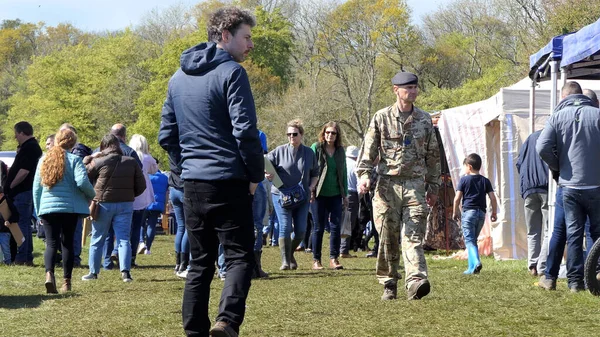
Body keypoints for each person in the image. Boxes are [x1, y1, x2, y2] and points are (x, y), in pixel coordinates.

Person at [158, 7, 264, 337]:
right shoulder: (232, 73)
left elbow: (166, 135)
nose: (250, 45)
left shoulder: (178, 77)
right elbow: (245, 132)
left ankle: (194, 331)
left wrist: (183, 169)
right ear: (224, 36)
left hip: (193, 185)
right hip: (229, 181)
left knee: (199, 262)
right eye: (246, 37)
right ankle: (227, 322)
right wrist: (254, 176)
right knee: (238, 257)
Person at [356, 71, 440, 301]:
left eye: (415, 87)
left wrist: (433, 187)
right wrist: (364, 176)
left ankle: (415, 281)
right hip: (387, 187)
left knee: (414, 234)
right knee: (388, 236)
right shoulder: (381, 118)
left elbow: (433, 156)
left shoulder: (424, 119)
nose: (413, 92)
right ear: (396, 90)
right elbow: (368, 151)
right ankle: (389, 282)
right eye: (408, 88)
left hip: (414, 185)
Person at [537, 81, 600, 292]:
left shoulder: (556, 116)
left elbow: (542, 147)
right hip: (596, 185)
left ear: (564, 97)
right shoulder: (597, 114)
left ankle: (574, 283)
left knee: (573, 233)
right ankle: (595, 276)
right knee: (596, 233)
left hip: (570, 185)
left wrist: (559, 166)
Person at [32, 129, 96, 293]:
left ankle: (49, 275)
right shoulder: (75, 159)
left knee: (51, 243)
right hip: (69, 208)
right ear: (73, 143)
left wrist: (39, 210)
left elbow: (36, 189)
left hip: (47, 208)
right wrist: (92, 194)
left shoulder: (43, 160)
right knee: (67, 243)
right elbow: (82, 181)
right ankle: (66, 282)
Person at [81, 134, 146, 283]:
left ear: (103, 146)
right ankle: (125, 273)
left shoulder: (99, 161)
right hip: (125, 204)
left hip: (103, 204)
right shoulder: (131, 162)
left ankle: (93, 272)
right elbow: (142, 185)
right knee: (124, 239)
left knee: (98, 238)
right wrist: (130, 195)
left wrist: (89, 157)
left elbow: (83, 174)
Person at [267, 119, 319, 271]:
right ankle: (285, 261)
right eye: (288, 134)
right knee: (285, 227)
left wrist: (311, 187)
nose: (291, 137)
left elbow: (316, 173)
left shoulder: (309, 153)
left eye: (294, 134)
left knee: (301, 230)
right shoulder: (278, 151)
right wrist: (268, 174)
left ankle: (289, 254)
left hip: (302, 196)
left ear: (301, 134)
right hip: (281, 195)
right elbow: (265, 163)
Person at [310, 122, 348, 270]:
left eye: (333, 133)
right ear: (323, 133)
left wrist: (345, 195)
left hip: (336, 194)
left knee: (335, 227)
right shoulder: (316, 148)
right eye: (327, 132)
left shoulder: (340, 151)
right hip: (318, 194)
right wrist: (311, 190)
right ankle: (316, 260)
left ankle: (334, 258)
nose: (330, 135)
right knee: (318, 227)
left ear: (337, 135)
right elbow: (310, 170)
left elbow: (343, 173)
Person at [4, 121, 43, 266]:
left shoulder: (30, 148)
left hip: (22, 191)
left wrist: (11, 186)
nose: (15, 137)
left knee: (22, 224)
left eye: (16, 134)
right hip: (24, 191)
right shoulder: (28, 147)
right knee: (23, 223)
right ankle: (25, 255)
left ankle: (23, 256)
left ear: (21, 133)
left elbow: (24, 171)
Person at [452, 154, 498, 274]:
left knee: (470, 240)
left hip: (469, 213)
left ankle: (476, 262)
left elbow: (457, 199)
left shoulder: (464, 180)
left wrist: (455, 211)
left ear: (470, 167)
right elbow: (493, 198)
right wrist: (494, 212)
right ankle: (471, 268)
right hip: (481, 214)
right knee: (473, 240)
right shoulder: (485, 181)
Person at [59, 123, 93, 268]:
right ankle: (69, 258)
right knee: (69, 230)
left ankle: (74, 258)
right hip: (69, 198)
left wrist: (91, 194)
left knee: (73, 230)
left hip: (70, 197)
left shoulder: (76, 154)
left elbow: (80, 179)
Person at [516, 129, 549, 277]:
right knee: (549, 230)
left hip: (529, 189)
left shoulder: (530, 138)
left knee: (533, 231)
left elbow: (519, 163)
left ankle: (532, 265)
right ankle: (542, 265)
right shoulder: (552, 136)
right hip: (547, 188)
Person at [129, 134, 157, 265]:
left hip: (129, 192)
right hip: (142, 194)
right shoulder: (148, 158)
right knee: (137, 226)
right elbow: (154, 170)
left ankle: (119, 252)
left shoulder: (128, 155)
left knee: (124, 226)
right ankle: (132, 256)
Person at [140, 167, 168, 254]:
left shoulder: (145, 176)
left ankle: (141, 242)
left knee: (140, 224)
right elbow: (166, 193)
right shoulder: (164, 178)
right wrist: (164, 205)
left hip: (145, 203)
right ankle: (148, 248)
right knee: (151, 226)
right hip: (157, 205)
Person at [340, 145, 360, 257]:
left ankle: (339, 247)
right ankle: (343, 249)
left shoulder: (342, 163)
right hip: (352, 194)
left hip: (339, 193)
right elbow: (359, 183)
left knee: (340, 220)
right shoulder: (356, 165)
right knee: (348, 222)